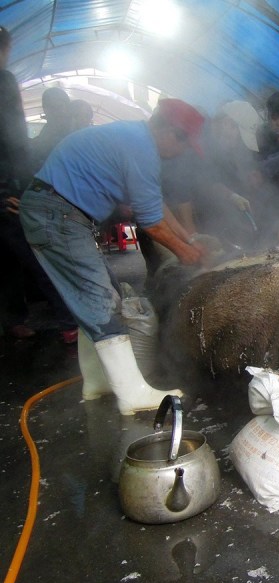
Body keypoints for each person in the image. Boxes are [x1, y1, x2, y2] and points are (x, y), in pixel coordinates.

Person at [19, 98, 207, 415]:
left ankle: (98, 381)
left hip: (56, 212)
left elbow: (155, 206)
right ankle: (132, 394)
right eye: (185, 144)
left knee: (96, 296)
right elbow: (151, 223)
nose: (184, 152)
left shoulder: (134, 139)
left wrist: (189, 240)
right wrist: (187, 254)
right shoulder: (141, 150)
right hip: (57, 214)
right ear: (169, 131)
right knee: (100, 299)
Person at [0, 26, 77, 343]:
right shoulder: (3, 80)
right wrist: (20, 186)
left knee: (6, 257)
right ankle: (71, 320)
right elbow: (13, 136)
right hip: (7, 185)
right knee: (38, 249)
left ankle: (13, 319)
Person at [30, 86, 74, 172]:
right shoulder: (47, 131)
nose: (54, 112)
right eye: (49, 107)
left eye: (58, 107)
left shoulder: (75, 131)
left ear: (67, 108)